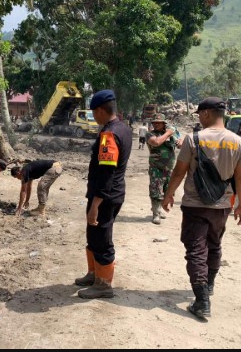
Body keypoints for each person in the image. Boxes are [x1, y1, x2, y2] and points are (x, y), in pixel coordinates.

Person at [162, 97, 241, 319]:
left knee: (196, 250)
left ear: (207, 114)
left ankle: (201, 301)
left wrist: (169, 194)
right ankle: (208, 285)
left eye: (200, 114)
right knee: (214, 245)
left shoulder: (193, 139)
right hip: (222, 206)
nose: (199, 118)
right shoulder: (239, 142)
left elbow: (179, 171)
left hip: (195, 205)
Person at [74, 90, 132, 299]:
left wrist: (95, 204)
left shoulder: (109, 134)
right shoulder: (123, 129)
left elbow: (107, 172)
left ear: (100, 111)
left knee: (102, 239)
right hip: (109, 193)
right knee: (93, 235)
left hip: (105, 197)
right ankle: (93, 274)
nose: (93, 117)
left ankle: (104, 285)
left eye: (93, 113)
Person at [145, 114, 183, 225]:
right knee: (156, 190)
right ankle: (156, 214)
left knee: (167, 191)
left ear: (164, 124)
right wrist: (168, 133)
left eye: (159, 123)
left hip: (169, 168)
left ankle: (159, 209)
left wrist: (179, 140)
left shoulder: (172, 134)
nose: (156, 124)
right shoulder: (150, 134)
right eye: (154, 123)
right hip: (156, 168)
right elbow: (156, 142)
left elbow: (180, 145)